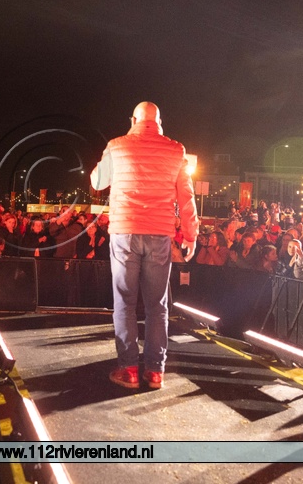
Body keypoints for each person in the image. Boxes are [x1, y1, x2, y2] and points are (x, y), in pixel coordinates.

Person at [91, 102, 199, 390]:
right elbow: (186, 197)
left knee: (124, 303)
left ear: (133, 120)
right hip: (159, 235)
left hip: (124, 232)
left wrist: (109, 154)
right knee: (157, 306)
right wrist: (190, 235)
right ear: (160, 121)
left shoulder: (117, 146)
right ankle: (154, 372)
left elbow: (97, 181)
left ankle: (128, 369)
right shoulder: (176, 150)